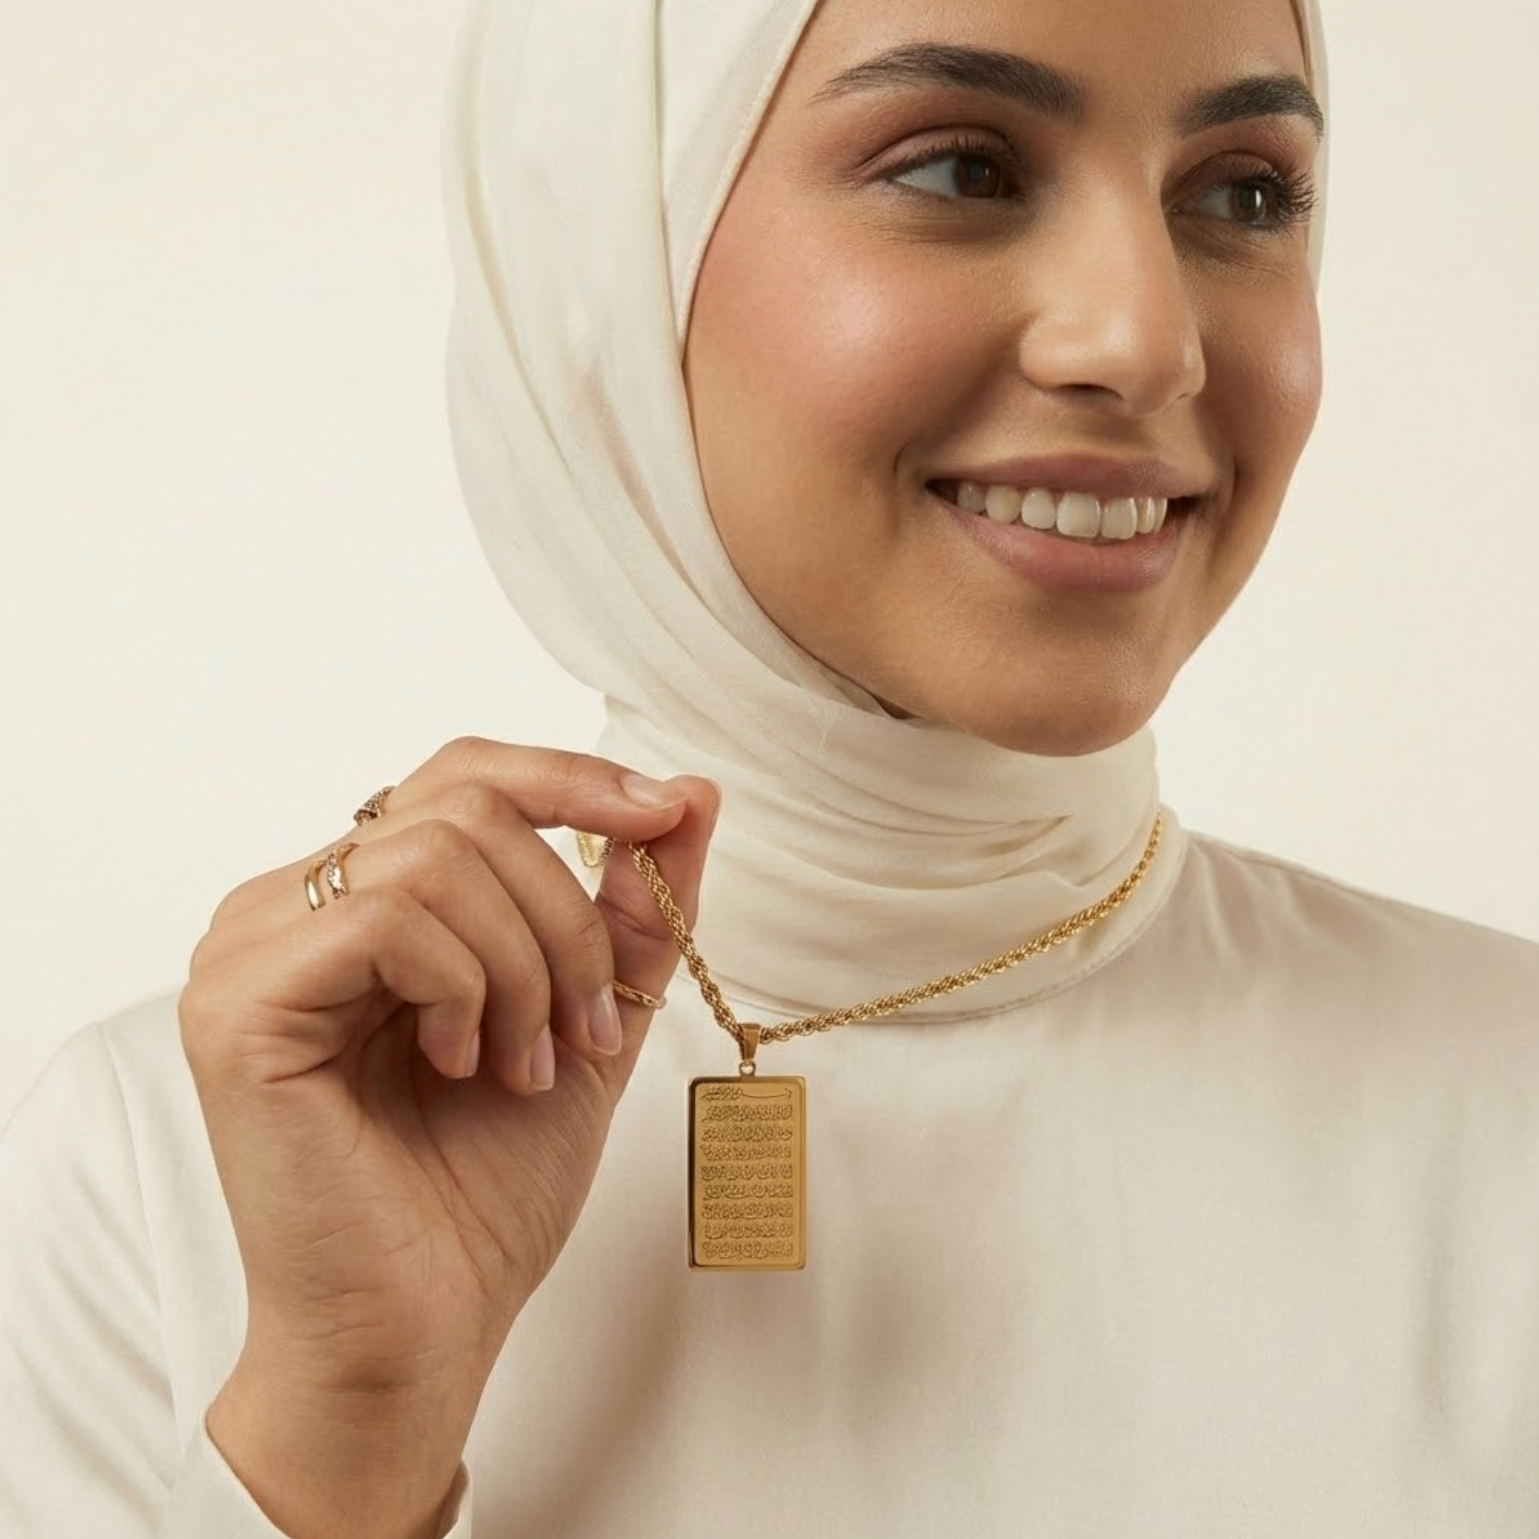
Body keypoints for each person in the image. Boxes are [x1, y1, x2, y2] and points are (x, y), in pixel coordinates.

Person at [2, 0, 1536, 1535]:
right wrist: (343, 1425)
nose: (1145, 340)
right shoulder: (176, 1166)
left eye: (1241, 193)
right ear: (610, 250)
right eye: (961, 172)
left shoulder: (1503, 1106)